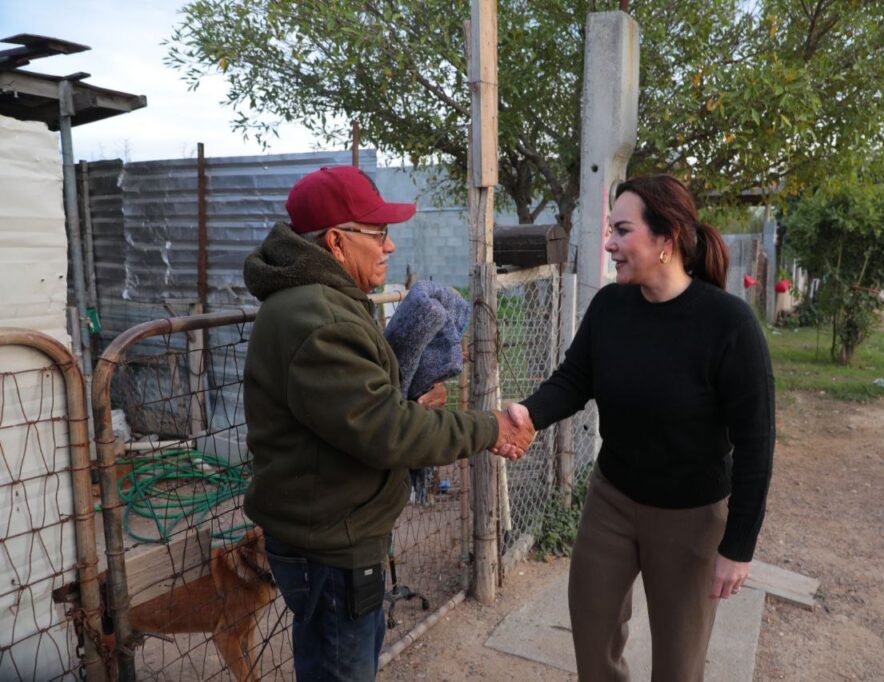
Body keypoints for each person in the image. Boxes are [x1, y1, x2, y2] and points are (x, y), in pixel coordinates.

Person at [241, 165, 534, 681]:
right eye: (378, 234)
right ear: (336, 241)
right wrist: (490, 428)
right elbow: (387, 432)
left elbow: (355, 416)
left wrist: (409, 407)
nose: (390, 247)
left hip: (334, 530)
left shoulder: (323, 302)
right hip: (332, 545)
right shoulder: (320, 318)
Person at [506, 174, 775, 681]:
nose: (609, 243)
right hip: (612, 500)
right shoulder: (612, 306)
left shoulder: (729, 324)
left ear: (667, 238)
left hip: (691, 516)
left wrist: (738, 547)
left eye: (622, 230)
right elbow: (574, 378)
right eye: (610, 229)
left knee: (678, 663)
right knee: (592, 633)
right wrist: (530, 413)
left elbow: (757, 444)